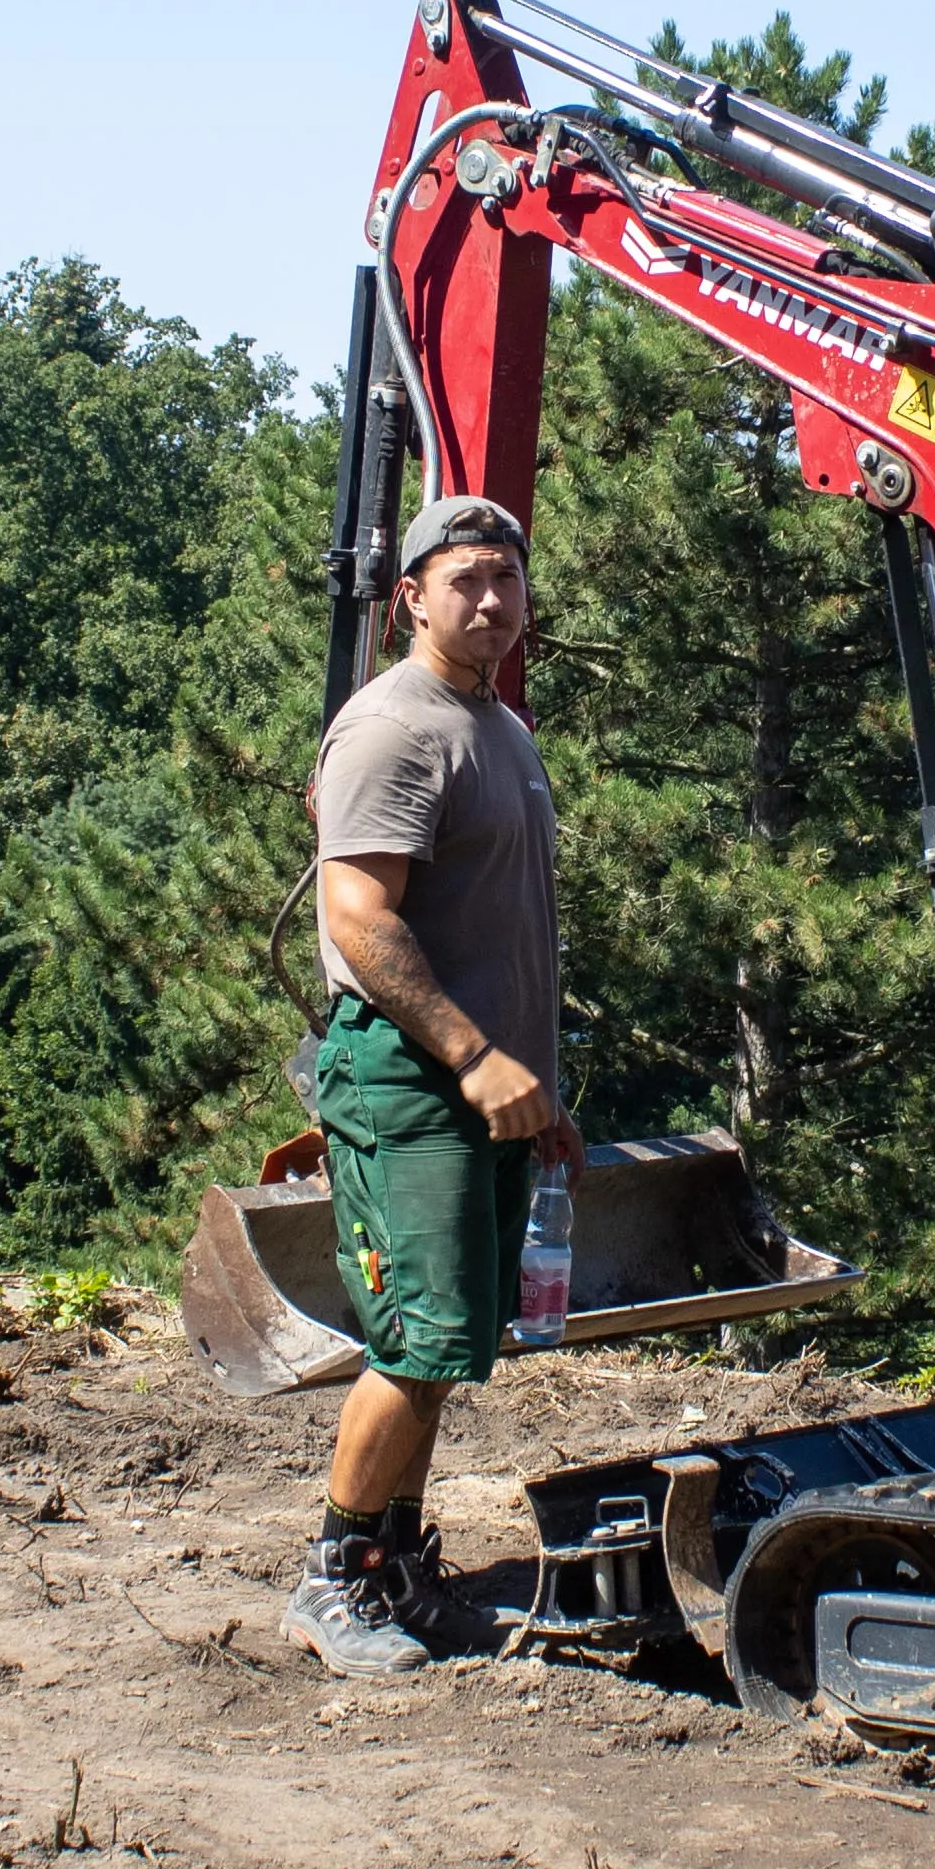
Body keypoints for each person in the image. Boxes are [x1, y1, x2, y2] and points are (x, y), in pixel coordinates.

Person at [287, 493, 571, 1676]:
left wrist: (538, 1086)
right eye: (465, 580)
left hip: (489, 1086)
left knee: (447, 1340)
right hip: (411, 1079)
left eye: (507, 577)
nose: (492, 599)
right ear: (410, 595)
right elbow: (359, 918)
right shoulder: (396, 726)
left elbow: (508, 927)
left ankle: (397, 1565)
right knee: (416, 1339)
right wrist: (472, 1055)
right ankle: (330, 1581)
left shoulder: (498, 728)